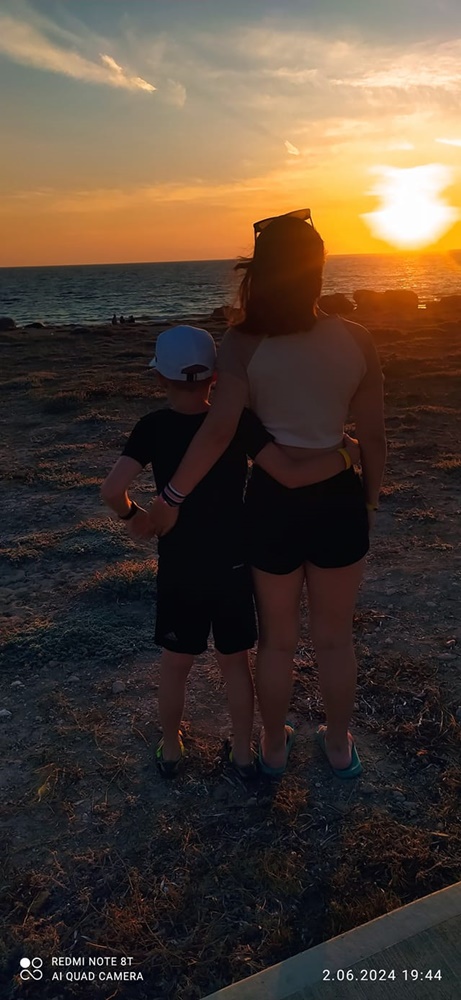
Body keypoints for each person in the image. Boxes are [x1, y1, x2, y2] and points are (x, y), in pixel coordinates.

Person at [146, 211, 387, 779]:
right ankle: (337, 747)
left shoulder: (242, 342)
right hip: (338, 499)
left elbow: (219, 429)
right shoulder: (357, 338)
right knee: (335, 640)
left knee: (277, 642)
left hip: (273, 505)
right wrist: (369, 502)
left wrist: (172, 496)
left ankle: (274, 750)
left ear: (261, 271)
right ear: (317, 270)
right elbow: (373, 438)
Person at [100, 323, 361, 779]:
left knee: (175, 664)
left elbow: (111, 490)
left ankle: (171, 748)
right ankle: (242, 752)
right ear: (216, 377)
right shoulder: (238, 421)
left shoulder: (151, 427)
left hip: (180, 564)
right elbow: (286, 472)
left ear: (158, 378)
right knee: (235, 663)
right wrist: (346, 456)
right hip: (233, 563)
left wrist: (135, 517)